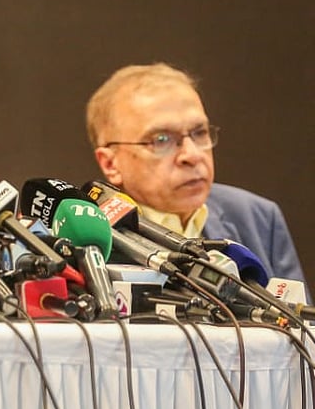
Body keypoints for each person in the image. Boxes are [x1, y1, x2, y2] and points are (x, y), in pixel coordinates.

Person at [86, 62, 305, 283]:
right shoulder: (86, 241)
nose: (191, 155)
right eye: (161, 140)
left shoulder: (258, 218)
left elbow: (300, 316)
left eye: (199, 133)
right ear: (111, 164)